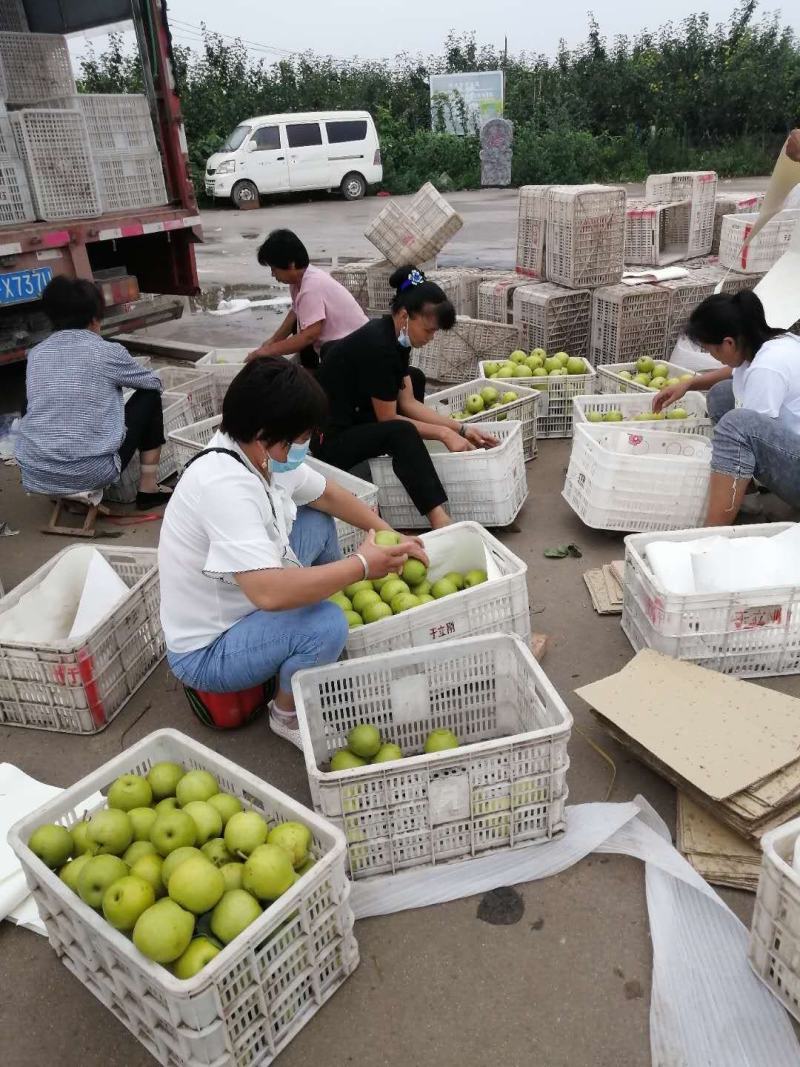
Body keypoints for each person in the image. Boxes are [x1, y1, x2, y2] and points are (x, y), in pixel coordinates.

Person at [159, 356, 426, 747]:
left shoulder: (258, 453)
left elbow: (327, 494)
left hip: (243, 599)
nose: (306, 443)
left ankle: (318, 629)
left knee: (316, 521)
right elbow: (269, 593)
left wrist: (389, 533)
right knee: (327, 624)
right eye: (300, 436)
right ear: (268, 432)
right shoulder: (224, 486)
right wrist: (362, 565)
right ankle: (285, 713)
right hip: (209, 649)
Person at [312, 265, 498, 529]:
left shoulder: (396, 338)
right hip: (331, 441)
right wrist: (444, 434)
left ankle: (408, 465)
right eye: (428, 330)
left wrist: (463, 428)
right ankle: (439, 520)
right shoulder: (378, 347)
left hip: (357, 412)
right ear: (404, 315)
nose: (431, 338)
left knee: (416, 377)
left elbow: (408, 402)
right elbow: (390, 419)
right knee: (401, 433)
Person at [15, 276, 170, 509]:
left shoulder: (36, 353)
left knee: (33, 397)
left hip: (35, 471)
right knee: (149, 394)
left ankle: (56, 480)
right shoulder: (107, 352)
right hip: (93, 473)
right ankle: (148, 488)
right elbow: (153, 382)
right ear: (95, 317)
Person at [653, 290, 800, 525]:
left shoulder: (768, 369)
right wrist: (689, 383)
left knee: (736, 427)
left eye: (711, 350)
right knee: (722, 394)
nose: (713, 357)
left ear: (728, 343)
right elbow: (735, 372)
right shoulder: (775, 342)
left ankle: (712, 533)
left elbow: (747, 434)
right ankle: (749, 506)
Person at [248, 228, 368, 368]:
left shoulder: (311, 287)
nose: (273, 275)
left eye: (274, 269)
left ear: (291, 264)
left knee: (306, 334)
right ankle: (311, 372)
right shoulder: (299, 280)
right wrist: (272, 341)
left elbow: (310, 335)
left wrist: (268, 351)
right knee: (299, 323)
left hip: (356, 349)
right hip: (344, 344)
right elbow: (295, 312)